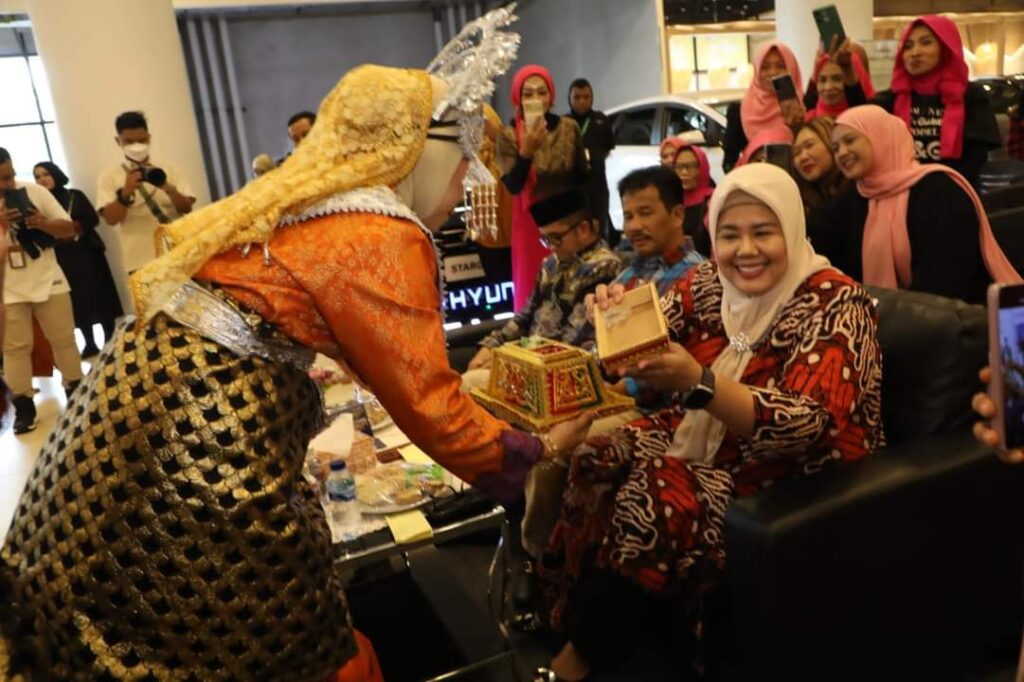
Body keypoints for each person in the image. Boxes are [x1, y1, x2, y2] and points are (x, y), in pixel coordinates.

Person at [0, 12, 591, 677]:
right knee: (274, 625)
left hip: (139, 397)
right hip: (204, 430)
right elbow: (432, 406)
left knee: (120, 583)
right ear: (419, 154)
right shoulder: (381, 231)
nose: (463, 188)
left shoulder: (312, 203)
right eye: (462, 165)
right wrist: (538, 455)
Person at [533, 163, 884, 681]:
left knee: (658, 490)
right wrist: (613, 317)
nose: (746, 250)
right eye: (730, 235)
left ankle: (583, 657)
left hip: (795, 473)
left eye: (763, 232)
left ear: (792, 228)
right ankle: (574, 615)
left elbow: (808, 423)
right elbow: (645, 338)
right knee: (597, 453)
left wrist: (700, 382)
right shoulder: (709, 283)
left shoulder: (837, 302)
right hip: (713, 439)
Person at [808, 105, 1019, 304]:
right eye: (835, 148)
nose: (842, 152)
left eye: (850, 140)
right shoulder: (856, 197)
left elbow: (946, 283)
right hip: (893, 319)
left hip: (960, 320)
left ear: (881, 137)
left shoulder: (938, 190)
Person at [466, 188, 620, 378]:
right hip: (531, 361)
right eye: (546, 239)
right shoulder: (551, 263)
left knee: (471, 381)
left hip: (565, 372)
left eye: (556, 238)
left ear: (584, 229)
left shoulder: (604, 265)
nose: (551, 246)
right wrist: (491, 347)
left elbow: (574, 338)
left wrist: (508, 359)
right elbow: (524, 317)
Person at [0, 149, 84, 435]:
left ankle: (76, 392)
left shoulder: (35, 192)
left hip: (48, 279)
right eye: (2, 179)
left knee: (64, 338)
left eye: (11, 175)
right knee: (15, 348)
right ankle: (23, 405)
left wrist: (42, 222)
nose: (9, 184)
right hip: (8, 286)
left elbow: (68, 230)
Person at [496, 65, 588, 311]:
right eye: (528, 94)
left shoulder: (569, 128)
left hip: (568, 223)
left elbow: (582, 178)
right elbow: (513, 185)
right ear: (517, 98)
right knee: (534, 291)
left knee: (574, 291)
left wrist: (586, 223)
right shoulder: (508, 135)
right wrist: (526, 152)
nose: (536, 99)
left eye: (542, 92)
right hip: (530, 224)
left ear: (552, 96)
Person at [872, 15, 1001, 188]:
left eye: (926, 43)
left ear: (945, 48)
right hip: (903, 193)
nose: (915, 52)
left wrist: (939, 189)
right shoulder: (893, 97)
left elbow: (976, 155)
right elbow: (860, 123)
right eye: (908, 46)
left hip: (956, 192)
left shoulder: (970, 95)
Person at [33, 161, 123, 357]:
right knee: (76, 299)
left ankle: (109, 338)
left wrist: (73, 227)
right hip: (62, 256)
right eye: (37, 177)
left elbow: (93, 219)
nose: (42, 179)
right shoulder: (39, 204)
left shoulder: (75, 195)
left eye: (46, 174)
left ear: (55, 174)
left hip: (86, 251)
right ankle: (89, 343)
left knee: (98, 293)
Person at [97, 111, 197, 279]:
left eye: (142, 140)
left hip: (179, 254)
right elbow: (111, 219)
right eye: (129, 141)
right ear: (118, 141)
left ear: (149, 138)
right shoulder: (109, 176)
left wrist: (167, 187)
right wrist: (126, 192)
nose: (137, 146)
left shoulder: (169, 167)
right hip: (140, 261)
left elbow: (186, 208)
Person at [723, 41, 804, 172]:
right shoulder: (738, 112)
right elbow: (728, 164)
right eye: (765, 67)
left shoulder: (805, 106)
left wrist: (797, 126)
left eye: (781, 66)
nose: (773, 72)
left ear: (792, 68)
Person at [566, 78, 616, 244]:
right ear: (569, 99)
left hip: (597, 186)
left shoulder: (601, 120)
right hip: (572, 187)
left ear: (592, 98)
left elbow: (608, 148)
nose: (582, 101)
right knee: (574, 231)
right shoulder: (564, 123)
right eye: (577, 97)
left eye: (586, 97)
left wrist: (593, 158)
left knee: (597, 231)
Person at [791, 117, 849, 216]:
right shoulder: (799, 204)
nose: (803, 157)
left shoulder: (858, 191)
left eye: (809, 145)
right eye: (796, 153)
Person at [804, 38, 873, 121]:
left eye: (837, 79)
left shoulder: (867, 121)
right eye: (822, 80)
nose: (828, 87)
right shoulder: (808, 121)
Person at [671, 144, 715, 257]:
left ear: (703, 168)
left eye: (691, 166)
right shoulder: (670, 200)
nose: (684, 172)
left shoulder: (713, 201)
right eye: (679, 167)